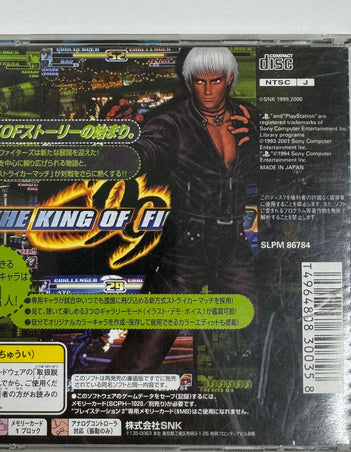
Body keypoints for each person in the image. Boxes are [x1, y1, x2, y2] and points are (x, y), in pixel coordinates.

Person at [106, 47, 260, 373]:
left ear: (230, 78)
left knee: (265, 336)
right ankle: (102, 406)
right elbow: (145, 153)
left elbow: (284, 168)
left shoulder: (249, 118)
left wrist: (262, 145)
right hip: (187, 248)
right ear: (189, 81)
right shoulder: (171, 122)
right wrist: (118, 144)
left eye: (215, 81)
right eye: (199, 81)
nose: (207, 90)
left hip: (234, 244)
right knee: (143, 352)